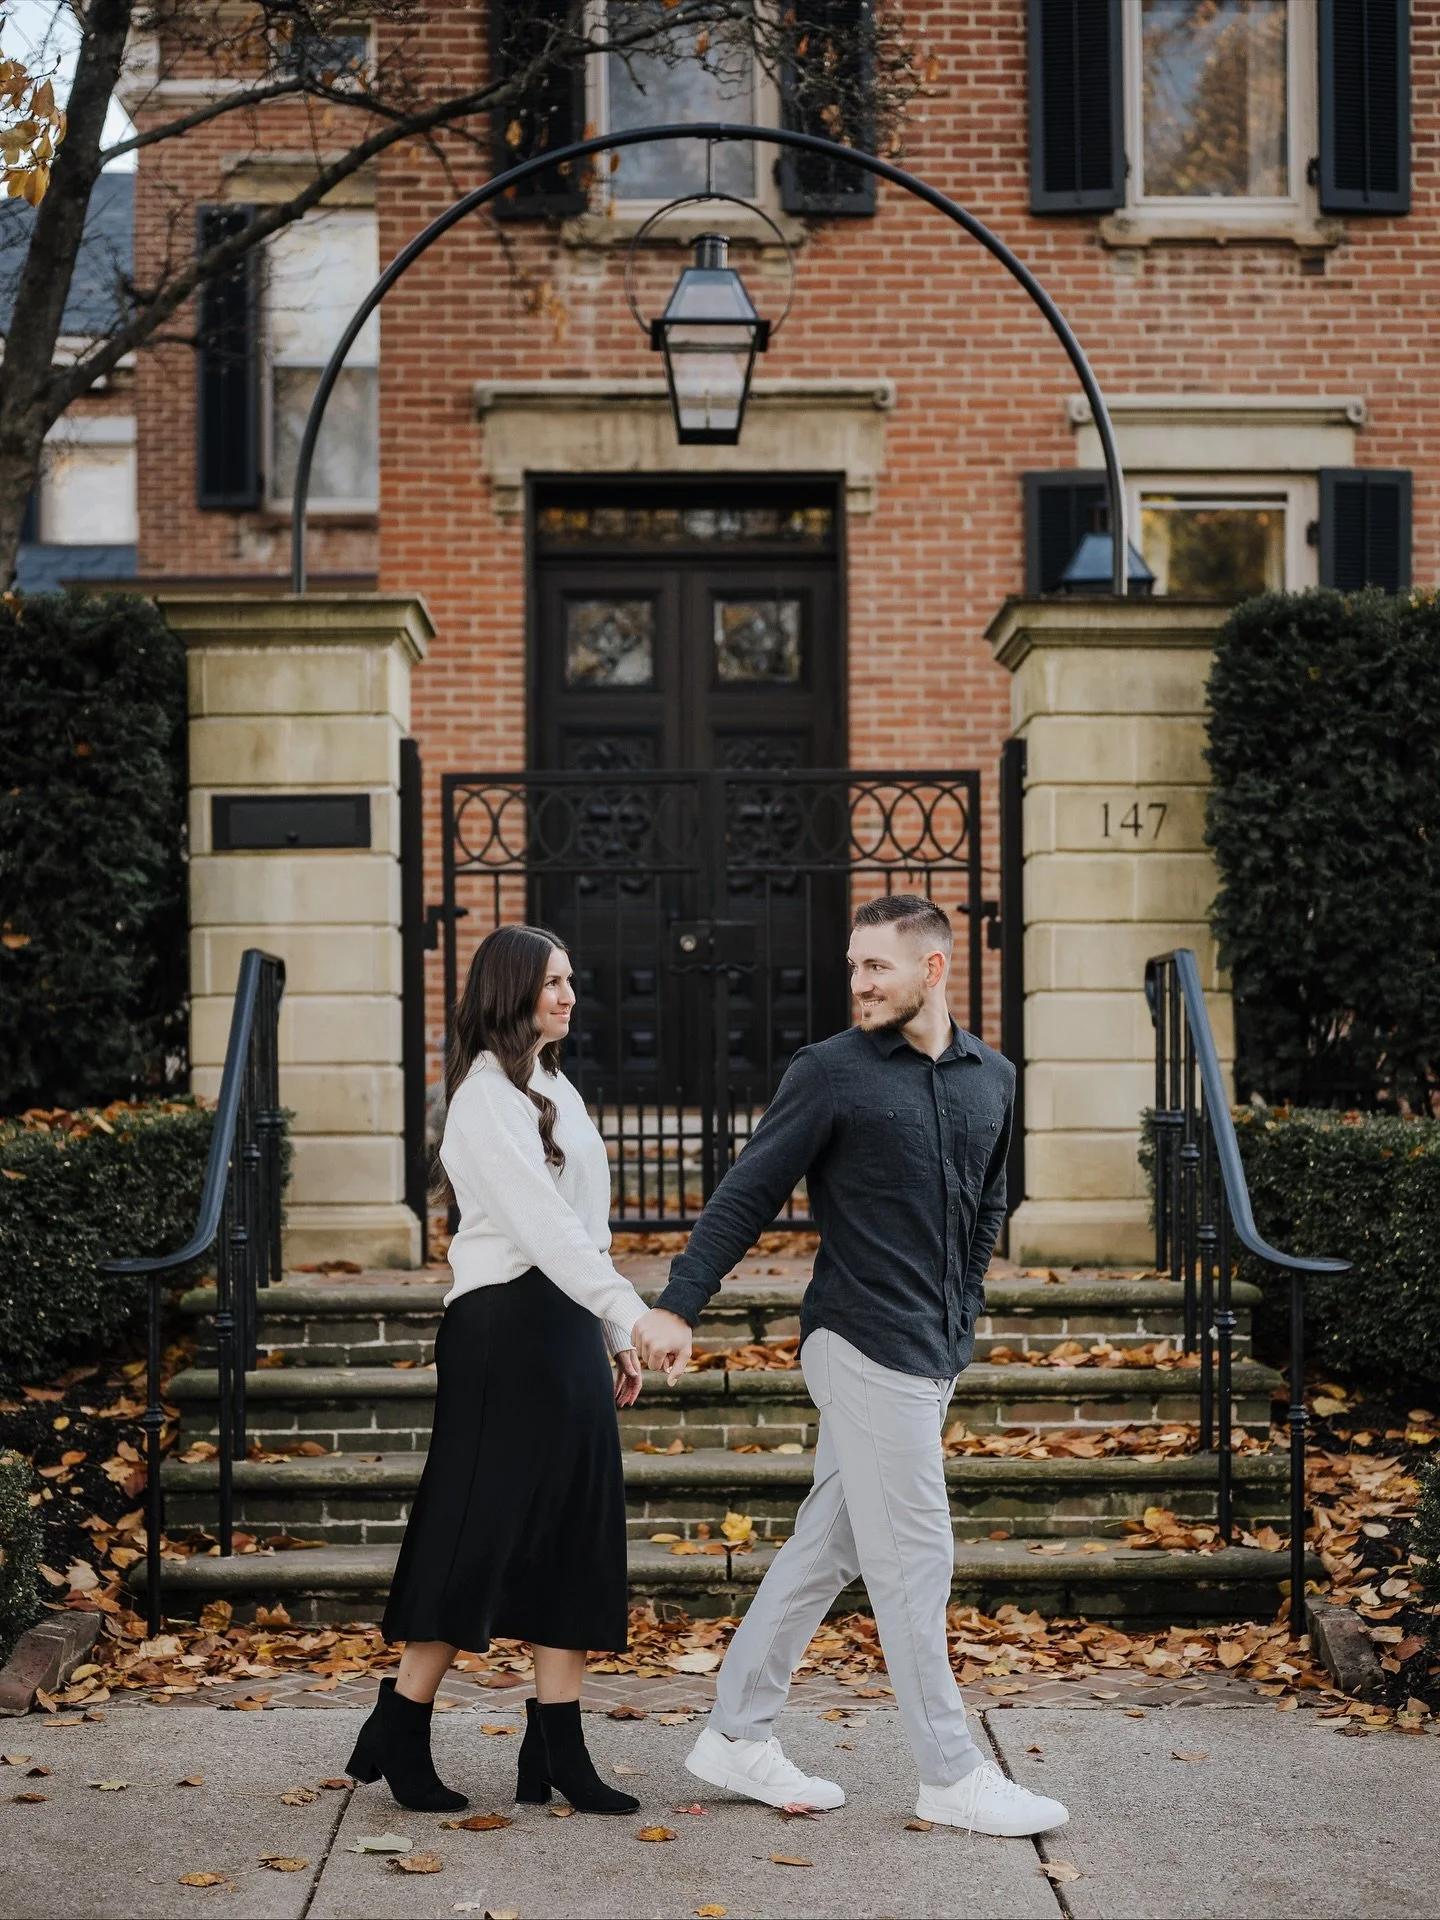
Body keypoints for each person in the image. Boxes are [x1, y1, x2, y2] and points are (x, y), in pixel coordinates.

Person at [633, 894, 1069, 1837]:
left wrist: (967, 1309)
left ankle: (735, 1733)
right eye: (855, 965)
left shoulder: (992, 1075)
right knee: (916, 1558)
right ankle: (952, 1773)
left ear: (934, 969)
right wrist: (678, 1303)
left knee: (827, 1545)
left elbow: (988, 1205)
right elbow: (748, 1192)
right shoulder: (829, 1073)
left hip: (933, 1346)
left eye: (878, 966)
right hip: (861, 1338)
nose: (861, 983)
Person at [346, 924, 685, 1814]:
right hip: (502, 1328)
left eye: (573, 980)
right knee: (477, 1529)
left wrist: (610, 1338)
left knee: (575, 1530)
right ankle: (400, 1722)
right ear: (510, 991)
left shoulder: (557, 1089)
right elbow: (538, 1227)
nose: (569, 997)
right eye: (552, 984)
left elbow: (588, 1225)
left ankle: (557, 1750)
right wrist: (629, 1312)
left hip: (566, 1324)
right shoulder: (483, 1100)